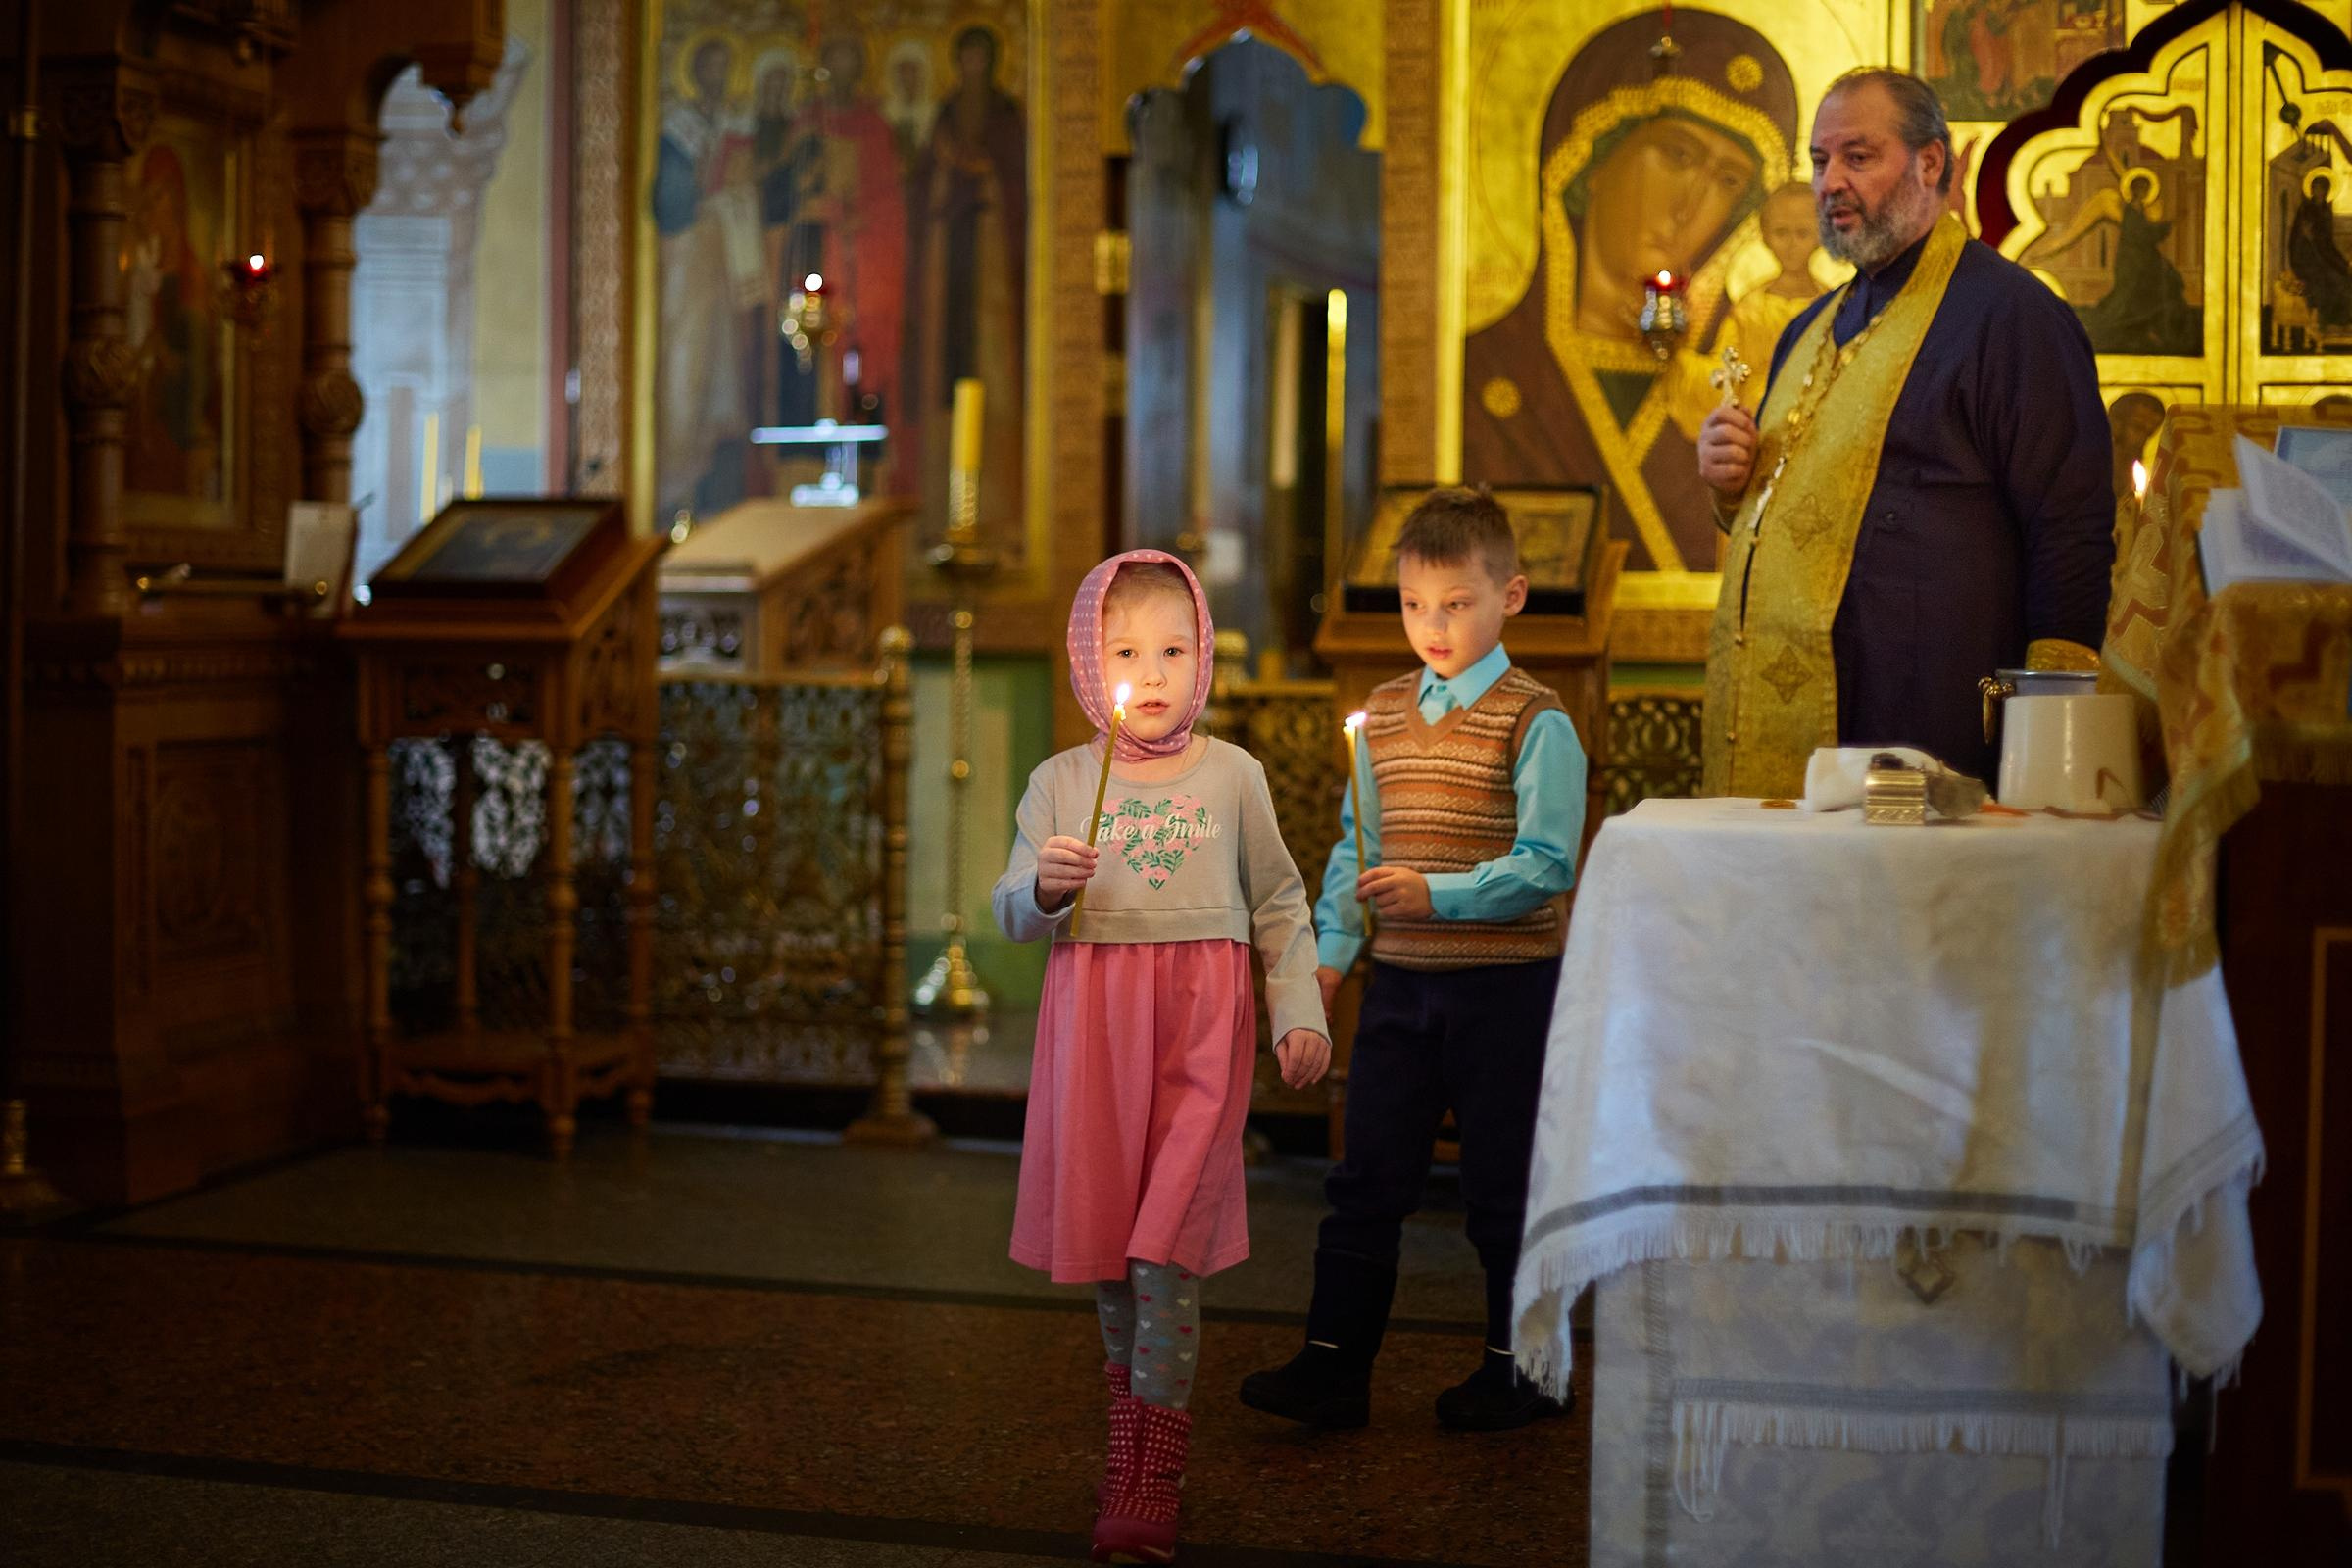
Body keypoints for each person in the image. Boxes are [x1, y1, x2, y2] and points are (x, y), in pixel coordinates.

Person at [993, 549, 1331, 1564]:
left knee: (1163, 1245)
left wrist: (1295, 1006)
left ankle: (1150, 1477)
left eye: (1175, 649)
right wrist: (1046, 887)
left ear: (1205, 661)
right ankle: (1129, 1437)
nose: (1152, 670)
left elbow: (1279, 900)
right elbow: (1012, 912)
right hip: (1095, 1039)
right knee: (1110, 1251)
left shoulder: (1234, 776)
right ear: (1089, 666)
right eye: (1126, 651)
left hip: (1197, 1038)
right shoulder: (1060, 781)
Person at [1239, 487, 1588, 1435]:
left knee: (1503, 1188)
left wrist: (1442, 894)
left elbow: (1550, 863)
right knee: (1366, 1177)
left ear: (1510, 595)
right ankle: (1333, 1367)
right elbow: (1358, 845)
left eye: (1457, 603)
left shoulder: (1536, 720)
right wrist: (1331, 958)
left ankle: (1521, 1373)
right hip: (1400, 989)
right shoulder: (1384, 716)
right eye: (1412, 604)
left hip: (1506, 991)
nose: (1432, 625)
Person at [1695, 68, 2114, 796]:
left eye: (1859, 157)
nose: (1830, 183)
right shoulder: (1807, 328)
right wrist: (1730, 482)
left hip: (1928, 736)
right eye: (1820, 162)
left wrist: (2049, 744)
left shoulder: (2012, 319)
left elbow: (2070, 525)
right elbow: (1793, 508)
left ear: (1930, 164)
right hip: (1796, 746)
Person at [1462, 11, 1797, 576]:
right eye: (1678, 155)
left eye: (1727, 181)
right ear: (1589, 158)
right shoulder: (1484, 373)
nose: (1691, 206)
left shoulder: (1731, 374)